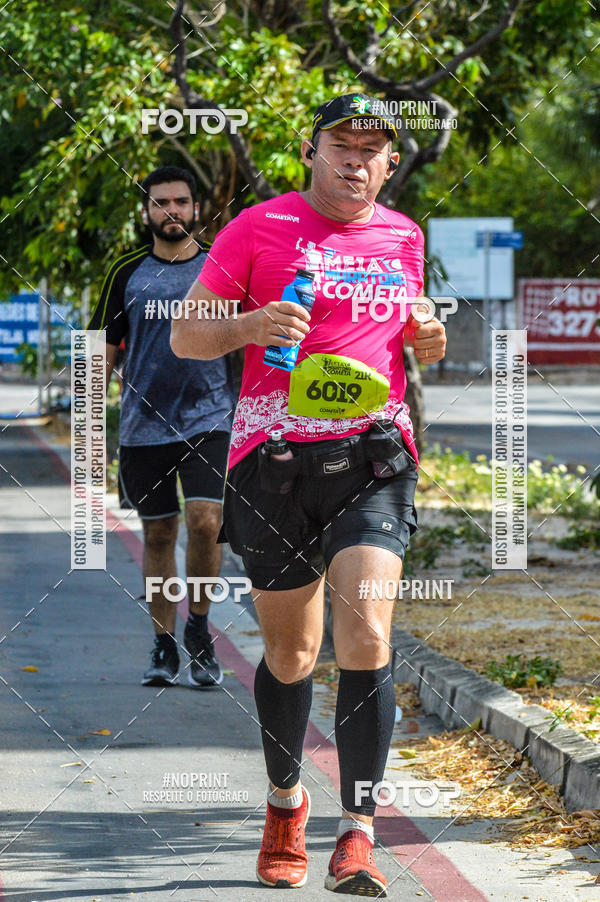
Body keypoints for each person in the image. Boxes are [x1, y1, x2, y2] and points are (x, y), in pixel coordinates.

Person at [171, 95, 447, 895]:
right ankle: (286, 805)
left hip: (373, 459)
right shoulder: (255, 228)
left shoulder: (403, 235)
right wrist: (250, 326)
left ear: (392, 162)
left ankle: (357, 830)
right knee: (291, 654)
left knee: (366, 638)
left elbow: (409, 335)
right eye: (341, 143)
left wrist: (426, 337)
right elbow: (191, 334)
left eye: (373, 149)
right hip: (273, 460)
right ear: (310, 149)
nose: (356, 159)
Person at [88, 166, 236, 689]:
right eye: (160, 202)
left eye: (180, 201)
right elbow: (99, 355)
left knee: (204, 522)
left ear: (195, 208)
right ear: (146, 211)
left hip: (211, 419)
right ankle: (163, 643)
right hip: (143, 427)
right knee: (158, 534)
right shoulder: (124, 273)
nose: (171, 210)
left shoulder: (221, 266)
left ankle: (198, 629)